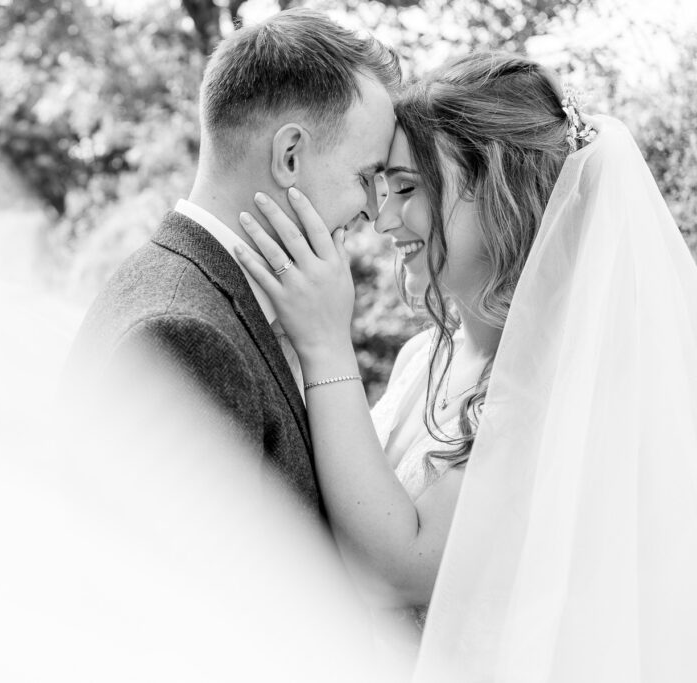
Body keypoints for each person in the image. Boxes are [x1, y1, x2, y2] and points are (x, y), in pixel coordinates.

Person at [235, 50, 697, 680]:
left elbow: (396, 571)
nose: (383, 217)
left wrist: (325, 345)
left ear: (497, 193)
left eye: (408, 188)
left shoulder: (553, 390)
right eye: (380, 188)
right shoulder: (422, 356)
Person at [65, 8, 400, 520]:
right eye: (365, 177)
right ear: (290, 155)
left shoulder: (179, 286)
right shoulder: (184, 335)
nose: (373, 214)